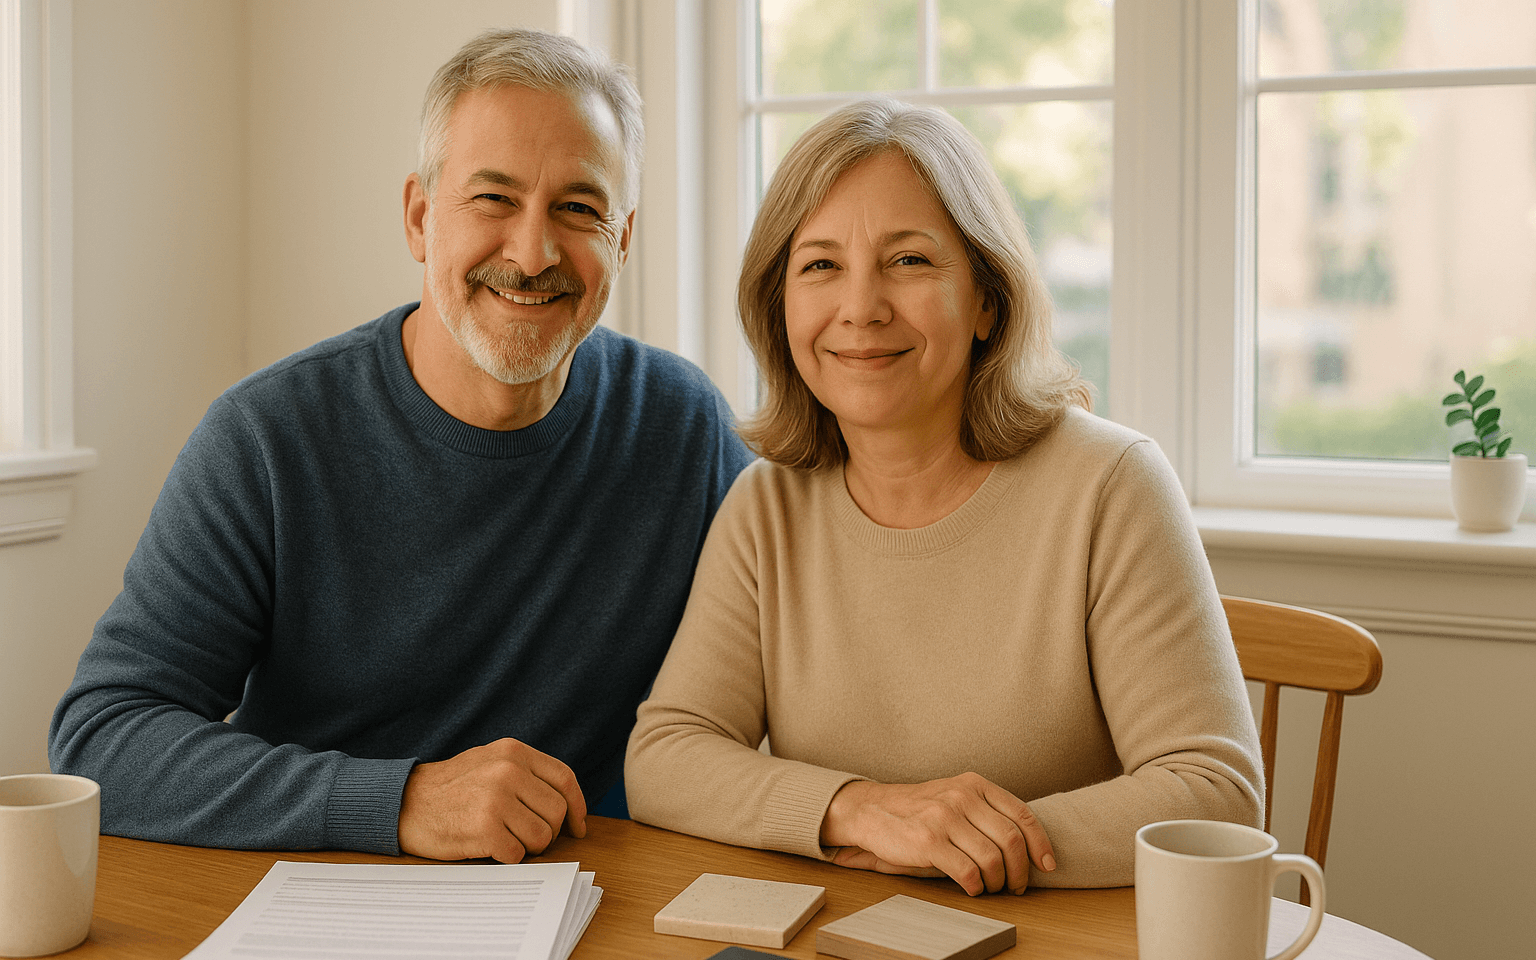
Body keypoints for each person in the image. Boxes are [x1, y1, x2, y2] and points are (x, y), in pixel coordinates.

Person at [49, 28, 752, 863]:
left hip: (591, 895)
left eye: (578, 209)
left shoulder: (683, 427)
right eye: (493, 199)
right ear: (420, 218)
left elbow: (799, 643)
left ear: (622, 241)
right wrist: (401, 801)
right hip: (312, 894)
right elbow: (101, 740)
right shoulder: (266, 440)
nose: (533, 253)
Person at [625, 98, 1264, 895]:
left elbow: (1215, 793)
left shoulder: (1110, 485)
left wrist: (955, 844)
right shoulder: (766, 507)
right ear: (779, 305)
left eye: (909, 261)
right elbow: (665, 758)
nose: (861, 308)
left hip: (1058, 954)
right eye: (820, 266)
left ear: (987, 299)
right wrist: (859, 811)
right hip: (845, 947)